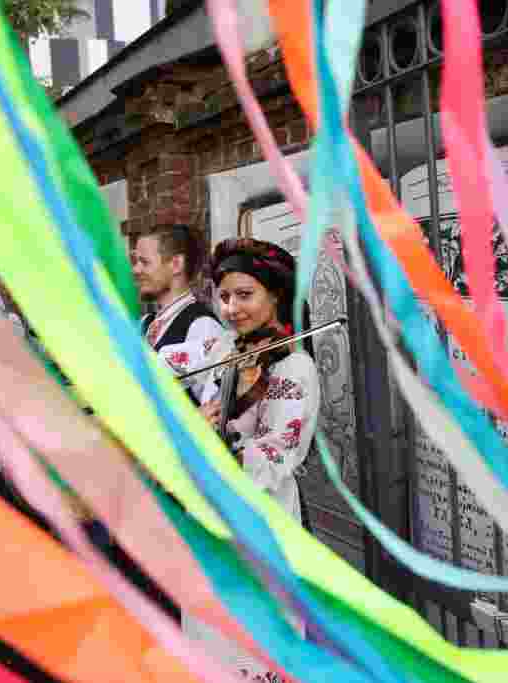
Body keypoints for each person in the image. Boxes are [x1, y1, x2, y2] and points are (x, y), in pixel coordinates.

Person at [183, 238, 321, 682]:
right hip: (211, 508)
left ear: (275, 295)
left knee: (254, 636)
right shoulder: (227, 350)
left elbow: (282, 447)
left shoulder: (293, 366)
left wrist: (218, 445)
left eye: (245, 295)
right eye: (224, 296)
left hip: (259, 515)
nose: (231, 307)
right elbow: (193, 399)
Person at [132, 223, 224, 395]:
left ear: (176, 264)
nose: (135, 269)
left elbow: (215, 405)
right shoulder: (145, 324)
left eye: (144, 262)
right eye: (135, 261)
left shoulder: (202, 325)